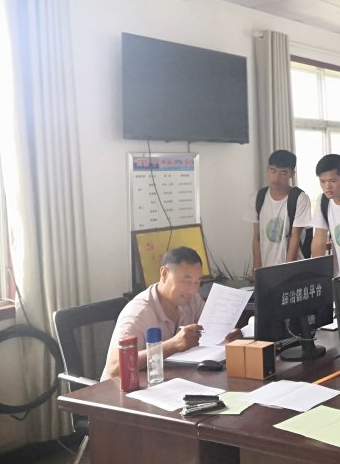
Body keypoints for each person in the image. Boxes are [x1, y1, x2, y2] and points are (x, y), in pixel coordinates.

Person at [102, 247, 241, 379]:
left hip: (168, 380)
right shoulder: (139, 313)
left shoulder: (193, 300)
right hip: (125, 390)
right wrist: (172, 345)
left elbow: (210, 330)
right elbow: (115, 367)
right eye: (186, 281)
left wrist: (226, 334)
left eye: (197, 282)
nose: (192, 290)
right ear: (164, 274)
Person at [247, 150, 312, 271]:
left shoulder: (299, 199)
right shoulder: (257, 198)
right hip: (266, 270)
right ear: (268, 169)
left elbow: (295, 238)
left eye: (283, 173)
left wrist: (286, 273)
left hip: (293, 269)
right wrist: (257, 271)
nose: (276, 178)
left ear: (292, 174)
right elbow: (256, 238)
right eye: (273, 171)